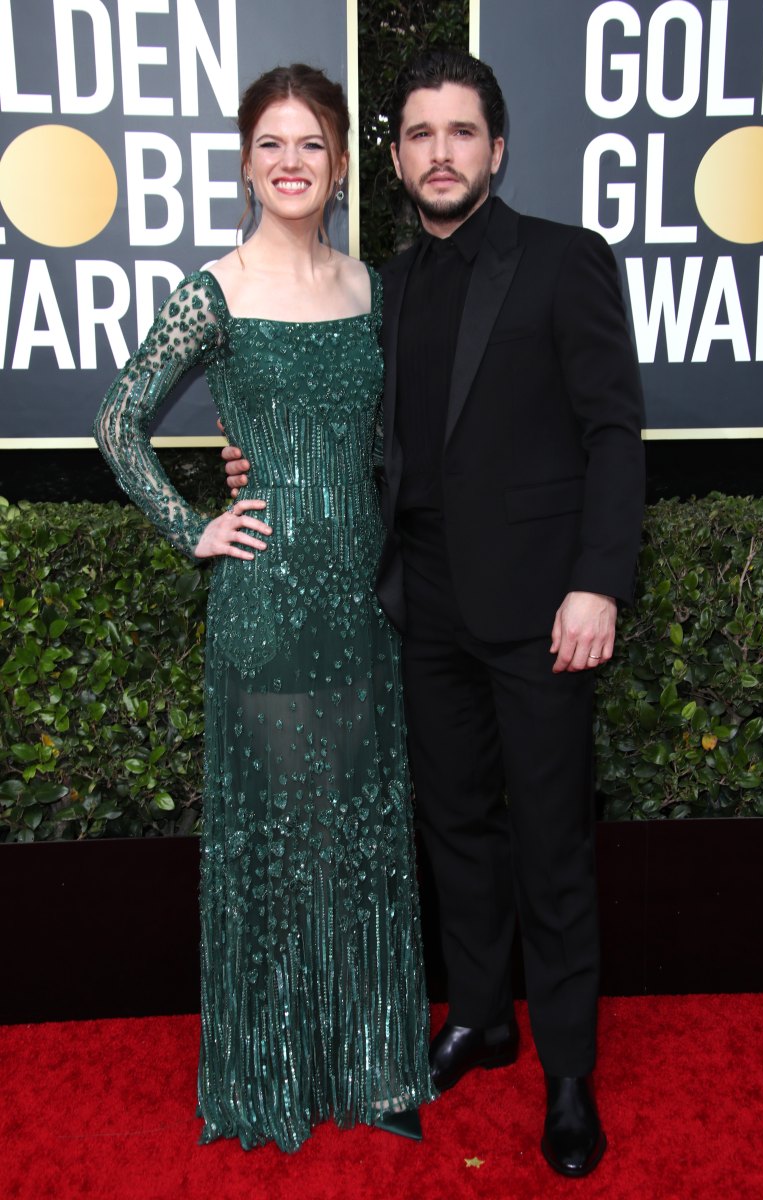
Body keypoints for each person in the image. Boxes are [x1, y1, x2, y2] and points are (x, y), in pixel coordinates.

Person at [223, 48, 646, 1177]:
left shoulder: (564, 263)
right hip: (421, 608)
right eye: (418, 134)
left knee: (551, 843)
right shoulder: (383, 287)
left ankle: (564, 1071)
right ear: (396, 159)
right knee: (454, 829)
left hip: (542, 612)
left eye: (460, 132)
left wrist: (596, 581)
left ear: (496, 150)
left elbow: (613, 431)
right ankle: (480, 1018)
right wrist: (251, 458)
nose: (440, 152)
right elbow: (349, 429)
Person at [94, 63, 434, 1153]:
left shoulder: (373, 288)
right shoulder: (215, 288)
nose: (291, 163)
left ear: (341, 166)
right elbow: (117, 421)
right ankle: (274, 1068)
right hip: (269, 603)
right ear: (246, 162)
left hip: (366, 600)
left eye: (313, 145)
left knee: (363, 833)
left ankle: (369, 1062)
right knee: (287, 842)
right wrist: (193, 523)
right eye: (271, 144)